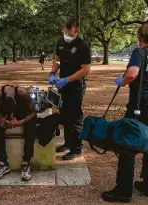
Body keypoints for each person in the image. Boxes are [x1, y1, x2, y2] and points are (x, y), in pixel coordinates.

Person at [102, 22, 148, 203]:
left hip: (141, 107)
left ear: (139, 37)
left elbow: (132, 74)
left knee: (127, 146)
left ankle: (123, 191)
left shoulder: (138, 53)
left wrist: (122, 82)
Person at [49, 18, 91, 160]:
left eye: (70, 34)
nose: (67, 36)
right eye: (65, 33)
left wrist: (67, 79)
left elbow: (85, 70)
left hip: (76, 86)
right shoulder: (60, 42)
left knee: (75, 118)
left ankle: (76, 148)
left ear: (76, 32)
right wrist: (52, 73)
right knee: (64, 115)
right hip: (62, 85)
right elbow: (58, 59)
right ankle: (68, 143)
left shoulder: (83, 46)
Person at [0, 85, 37, 181]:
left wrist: (20, 122)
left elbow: (33, 112)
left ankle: (26, 162)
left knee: (30, 128)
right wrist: (2, 120)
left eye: (12, 114)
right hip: (5, 115)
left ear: (15, 102)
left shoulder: (23, 93)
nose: (11, 116)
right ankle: (3, 163)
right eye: (10, 114)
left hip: (25, 114)